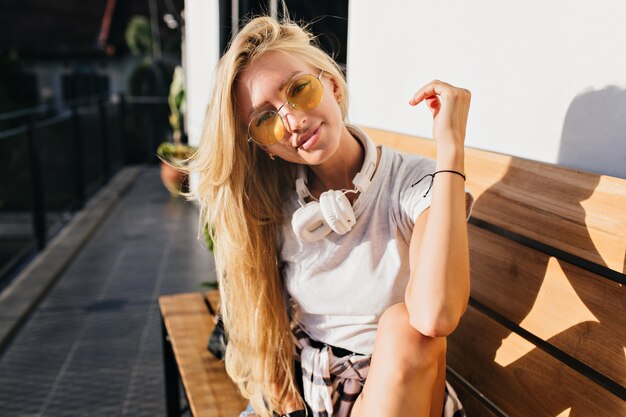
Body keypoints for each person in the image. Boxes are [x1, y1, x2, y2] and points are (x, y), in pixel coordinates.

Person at [189, 15, 474, 417]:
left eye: (298, 90)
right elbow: (266, 326)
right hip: (304, 394)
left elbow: (435, 315)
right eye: (265, 121)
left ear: (333, 86)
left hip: (394, 394)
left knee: (408, 329)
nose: (290, 121)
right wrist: (289, 409)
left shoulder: (412, 183)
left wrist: (451, 149)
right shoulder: (276, 204)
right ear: (265, 147)